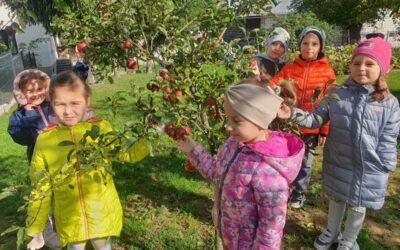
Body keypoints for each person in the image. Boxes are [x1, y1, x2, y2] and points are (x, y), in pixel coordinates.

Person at [289, 37, 399, 249]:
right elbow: (315, 118)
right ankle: (331, 230)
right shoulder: (336, 93)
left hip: (369, 165)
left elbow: (388, 137)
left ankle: (349, 239)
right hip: (340, 160)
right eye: (357, 63)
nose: (362, 69)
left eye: (370, 64)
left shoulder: (388, 103)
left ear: (382, 68)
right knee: (337, 197)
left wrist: (386, 164)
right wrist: (291, 113)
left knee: (358, 203)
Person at [26, 71, 149, 250]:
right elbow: (40, 187)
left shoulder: (99, 129)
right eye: (59, 104)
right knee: (75, 246)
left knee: (103, 245)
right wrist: (36, 229)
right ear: (51, 104)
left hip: (101, 211)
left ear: (87, 101)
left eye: (75, 103)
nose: (67, 111)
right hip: (69, 216)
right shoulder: (45, 140)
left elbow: (126, 153)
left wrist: (149, 137)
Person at [175, 81, 305, 249]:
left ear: (260, 119)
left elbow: (270, 229)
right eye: (228, 118)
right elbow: (217, 174)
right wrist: (193, 149)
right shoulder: (233, 144)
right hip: (230, 237)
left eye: (236, 120)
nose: (228, 127)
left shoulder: (269, 172)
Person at [269, 26, 336, 208]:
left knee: (306, 162)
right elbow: (275, 83)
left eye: (314, 44)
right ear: (300, 46)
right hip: (289, 123)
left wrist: (324, 129)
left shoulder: (327, 72)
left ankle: (299, 191)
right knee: (286, 156)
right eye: (305, 43)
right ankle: (284, 186)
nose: (309, 47)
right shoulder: (290, 68)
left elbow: (329, 103)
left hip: (312, 127)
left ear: (320, 47)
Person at [8, 69, 53, 163]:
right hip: (38, 158)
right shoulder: (19, 115)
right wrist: (30, 115)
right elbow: (20, 138)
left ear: (46, 89)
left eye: (40, 89)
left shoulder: (53, 106)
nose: (36, 94)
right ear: (22, 93)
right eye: (30, 91)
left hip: (60, 153)